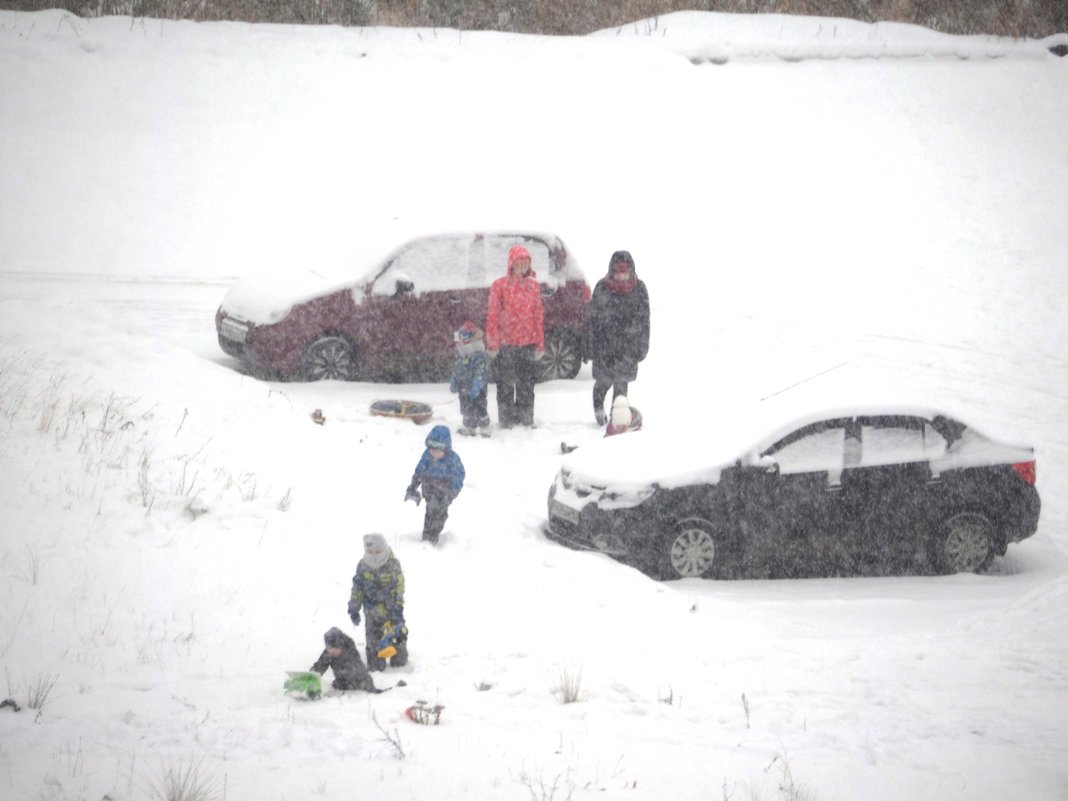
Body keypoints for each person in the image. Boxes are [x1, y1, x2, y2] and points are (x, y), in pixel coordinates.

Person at [587, 250, 650, 425]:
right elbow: (592, 320)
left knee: (621, 388)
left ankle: (617, 419)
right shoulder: (602, 287)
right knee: (603, 384)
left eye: (625, 271)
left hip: (628, 349)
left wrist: (642, 346)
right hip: (604, 348)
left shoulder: (639, 289)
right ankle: (599, 411)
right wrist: (591, 346)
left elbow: (645, 321)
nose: (622, 275)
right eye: (618, 271)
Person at [485, 245, 545, 428]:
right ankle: (506, 420)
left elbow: (538, 316)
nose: (522, 267)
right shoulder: (500, 286)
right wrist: (493, 343)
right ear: (511, 264)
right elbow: (493, 315)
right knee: (505, 385)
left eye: (525, 263)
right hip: (506, 345)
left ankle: (526, 419)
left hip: (527, 344)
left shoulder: (534, 286)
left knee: (526, 385)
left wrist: (539, 343)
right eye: (518, 263)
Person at [348, 534, 408, 671]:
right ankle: (376, 665)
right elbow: (357, 588)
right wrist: (354, 608)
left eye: (377, 552)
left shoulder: (392, 564)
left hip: (391, 611)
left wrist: (398, 606)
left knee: (397, 638)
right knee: (373, 643)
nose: (374, 555)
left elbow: (400, 585)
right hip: (371, 613)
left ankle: (399, 664)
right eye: (370, 552)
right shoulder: (363, 566)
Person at [404, 424, 465, 544]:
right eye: (432, 450)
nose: (434, 453)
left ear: (446, 449)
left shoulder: (453, 460)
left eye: (438, 451)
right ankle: (427, 537)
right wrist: (413, 486)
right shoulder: (427, 456)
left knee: (440, 513)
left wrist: (451, 492)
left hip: (445, 491)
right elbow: (419, 471)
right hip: (429, 488)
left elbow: (459, 477)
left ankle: (435, 532)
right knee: (430, 510)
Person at [449, 321, 491, 437]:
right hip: (463, 388)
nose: (459, 347)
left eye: (462, 344)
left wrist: (477, 386)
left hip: (477, 390)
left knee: (480, 406)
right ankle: (469, 426)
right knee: (466, 407)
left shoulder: (479, 357)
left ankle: (484, 427)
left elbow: (481, 373)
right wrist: (454, 382)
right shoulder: (462, 358)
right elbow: (456, 370)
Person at [309, 627, 378, 692]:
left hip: (358, 682)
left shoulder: (350, 651)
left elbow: (359, 671)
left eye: (335, 649)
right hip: (342, 683)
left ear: (340, 646)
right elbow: (320, 665)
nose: (332, 652)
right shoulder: (329, 653)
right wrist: (312, 675)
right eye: (330, 649)